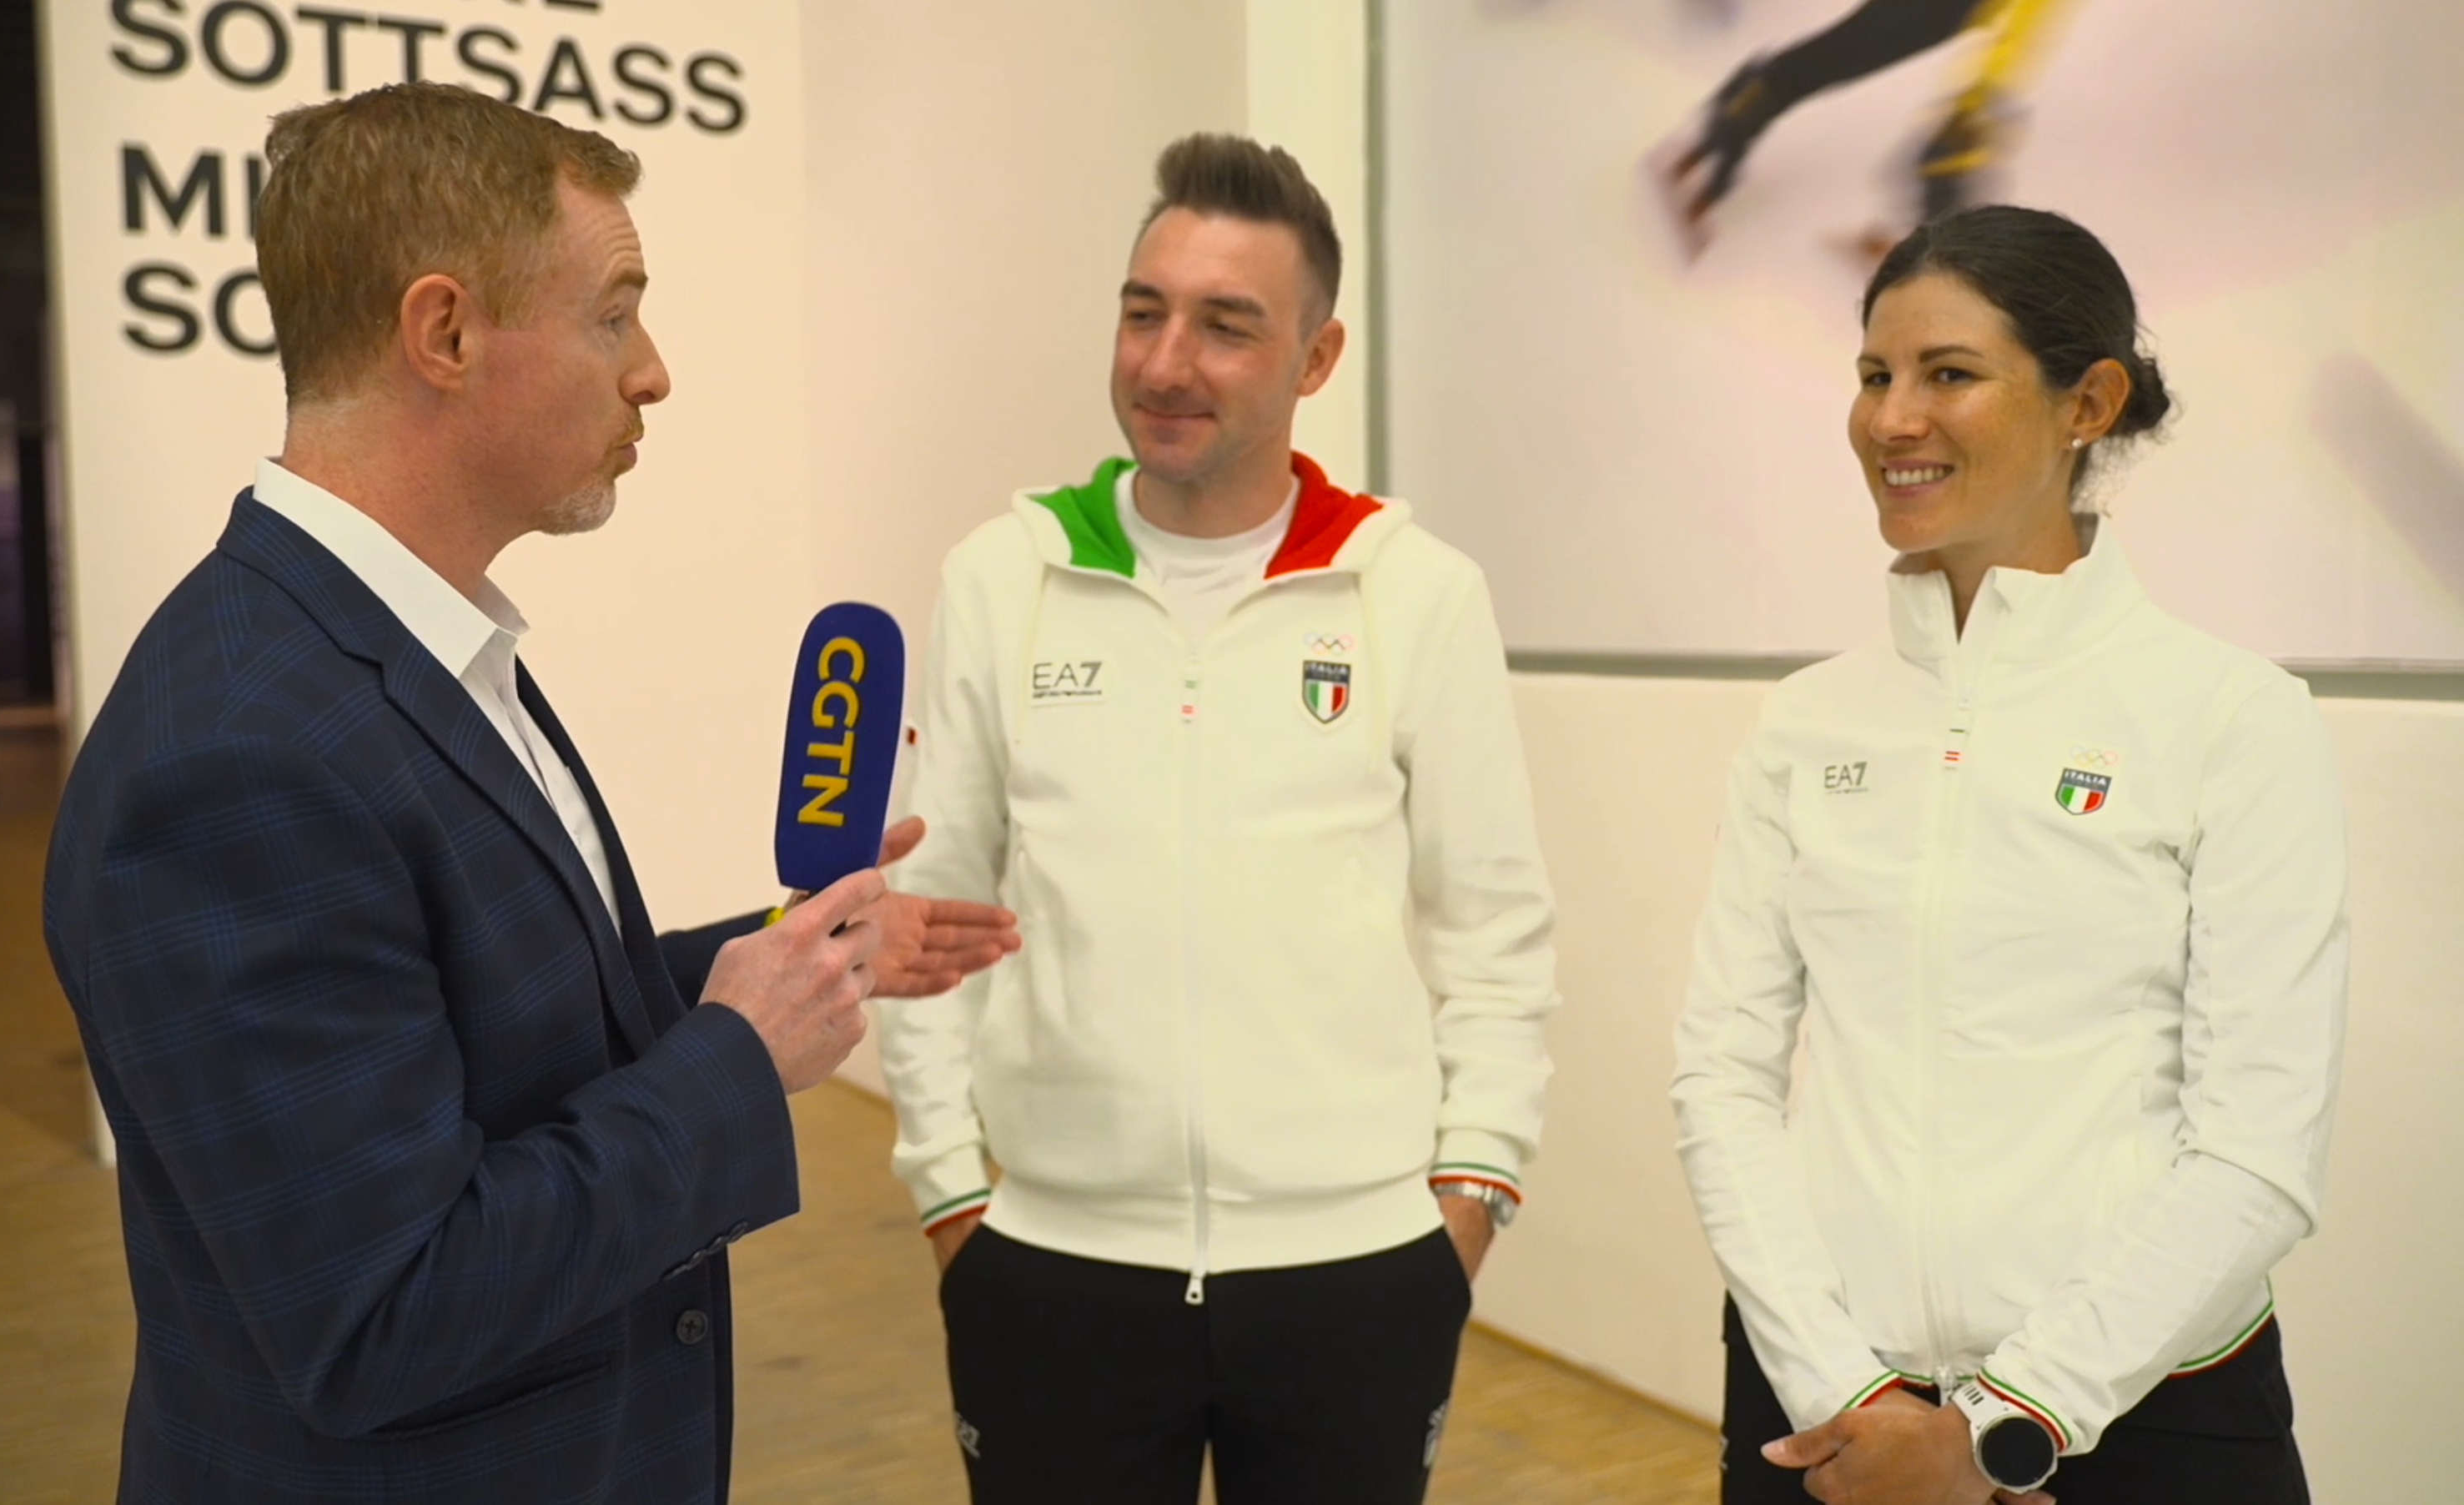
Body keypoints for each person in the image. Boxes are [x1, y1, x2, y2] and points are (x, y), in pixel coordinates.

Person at [42, 83, 1017, 1505]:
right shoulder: (238, 757)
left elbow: (486, 1027)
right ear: (443, 332)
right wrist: (740, 1053)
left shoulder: (401, 651)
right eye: (614, 314)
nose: (654, 372)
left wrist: (785, 956)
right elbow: (386, 1309)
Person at [877, 133, 1562, 1505]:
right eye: (1143, 312)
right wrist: (953, 1193)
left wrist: (1467, 1201)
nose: (1164, 361)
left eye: (1224, 325)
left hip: (1357, 1271)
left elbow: (1493, 927)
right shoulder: (1002, 575)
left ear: (1316, 357)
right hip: (1052, 1266)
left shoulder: (1412, 591)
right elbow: (925, 913)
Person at [1671, 204, 2346, 1505]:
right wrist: (1844, 1391)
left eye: (1948, 374)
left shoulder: (2232, 717)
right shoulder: (1805, 723)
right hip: (1824, 1406)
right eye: (1873, 374)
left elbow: (2257, 1148)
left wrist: (1999, 1422)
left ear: (2086, 403)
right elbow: (1721, 1079)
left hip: (2140, 1412)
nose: (1891, 419)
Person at [1660, 0, 2077, 255]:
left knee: (1833, 58)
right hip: (1942, 12)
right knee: (1829, 59)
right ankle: (1729, 124)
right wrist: (1986, 93)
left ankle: (1730, 124)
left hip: (1952, 16)